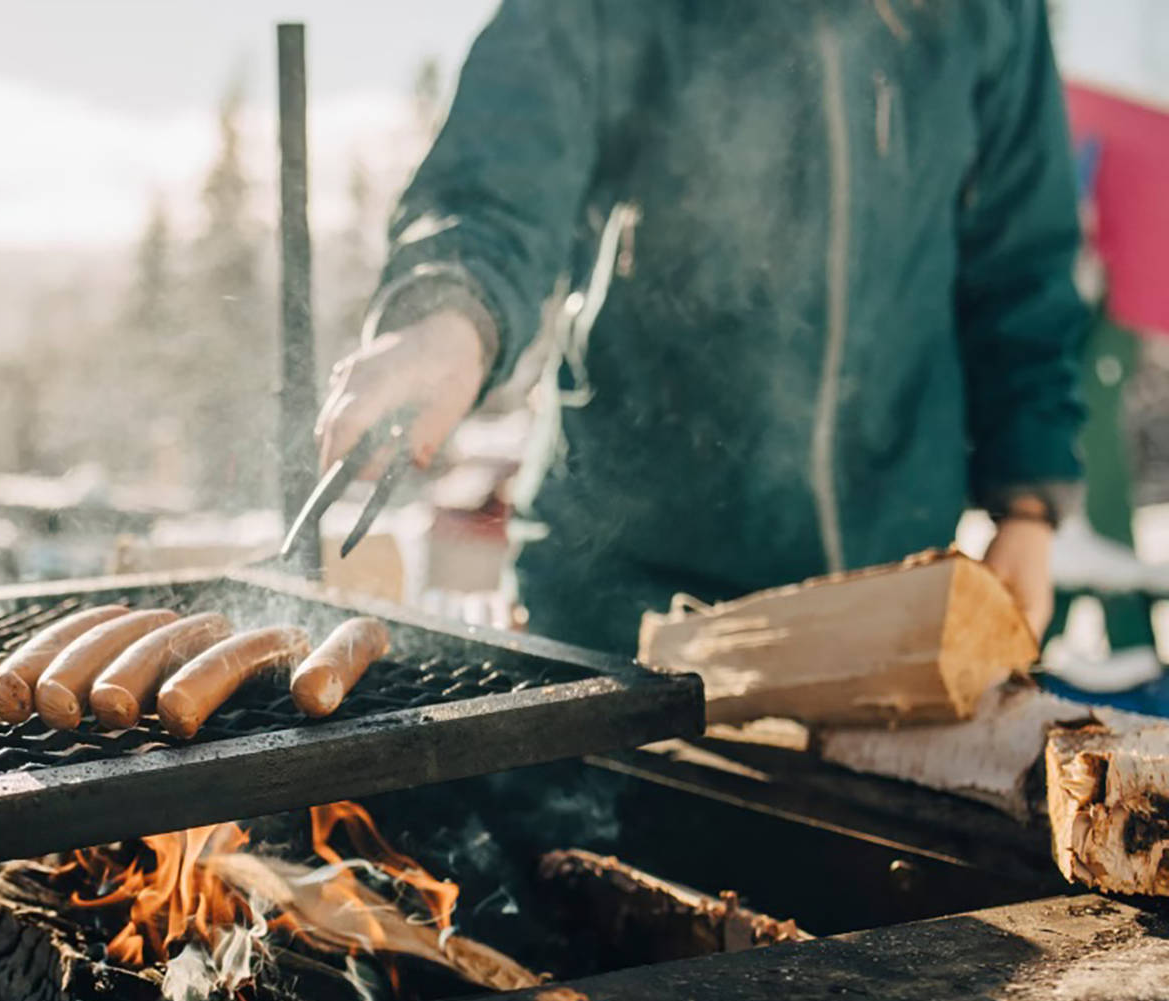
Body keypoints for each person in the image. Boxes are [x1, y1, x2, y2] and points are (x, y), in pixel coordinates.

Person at [319, 0, 1086, 654]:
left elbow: (1022, 260)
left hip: (888, 600)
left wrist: (1028, 504)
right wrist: (449, 316)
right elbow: (502, 164)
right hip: (626, 607)